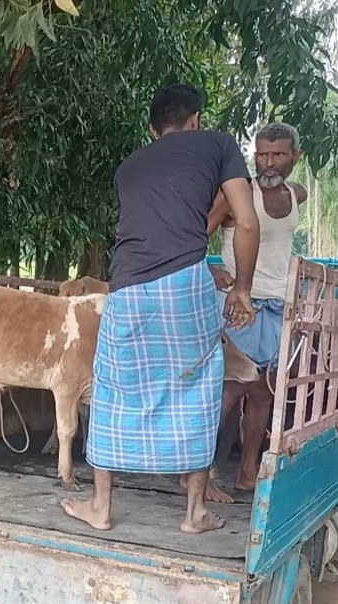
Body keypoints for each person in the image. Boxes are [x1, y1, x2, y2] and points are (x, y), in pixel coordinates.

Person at [61, 83, 260, 534]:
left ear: (155, 130)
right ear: (196, 120)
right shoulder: (218, 144)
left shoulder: (129, 165)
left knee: (114, 385)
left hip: (126, 287)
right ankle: (194, 514)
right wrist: (242, 290)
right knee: (199, 382)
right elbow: (246, 220)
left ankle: (100, 506)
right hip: (184, 281)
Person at [205, 122, 307, 499]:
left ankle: (247, 471)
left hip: (277, 305)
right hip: (238, 303)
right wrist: (210, 267)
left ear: (295, 157)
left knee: (263, 391)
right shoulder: (238, 193)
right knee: (231, 388)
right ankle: (198, 473)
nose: (268, 163)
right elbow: (198, 232)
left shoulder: (297, 195)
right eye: (261, 154)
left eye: (278, 155)